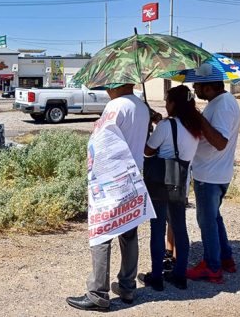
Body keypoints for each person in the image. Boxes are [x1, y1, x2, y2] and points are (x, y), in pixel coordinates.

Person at [66, 83, 150, 312]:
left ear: (118, 84)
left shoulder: (116, 106)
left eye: (109, 85)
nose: (106, 90)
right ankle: (127, 287)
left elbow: (101, 142)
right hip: (133, 176)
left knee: (102, 233)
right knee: (129, 233)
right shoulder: (142, 107)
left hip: (112, 179)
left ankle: (98, 293)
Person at [137, 85, 203, 291]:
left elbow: (148, 151)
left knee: (157, 229)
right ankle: (180, 275)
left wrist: (150, 127)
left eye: (167, 101)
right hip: (181, 182)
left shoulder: (167, 125)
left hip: (161, 181)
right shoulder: (195, 125)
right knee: (180, 228)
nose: (165, 105)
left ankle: (156, 277)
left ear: (174, 104)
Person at [186, 81, 240, 283]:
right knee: (214, 218)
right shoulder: (220, 102)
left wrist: (198, 117)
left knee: (207, 222)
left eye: (197, 87)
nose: (194, 90)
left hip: (210, 175)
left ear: (208, 87)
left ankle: (212, 267)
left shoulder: (223, 105)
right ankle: (225, 258)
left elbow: (220, 142)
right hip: (214, 172)